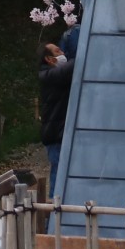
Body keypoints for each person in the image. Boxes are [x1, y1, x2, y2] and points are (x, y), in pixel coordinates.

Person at [37, 42, 73, 197]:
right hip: (55, 134)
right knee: (58, 172)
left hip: (57, 132)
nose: (62, 53)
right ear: (49, 59)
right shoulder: (49, 75)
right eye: (58, 51)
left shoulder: (51, 75)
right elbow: (72, 66)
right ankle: (53, 214)